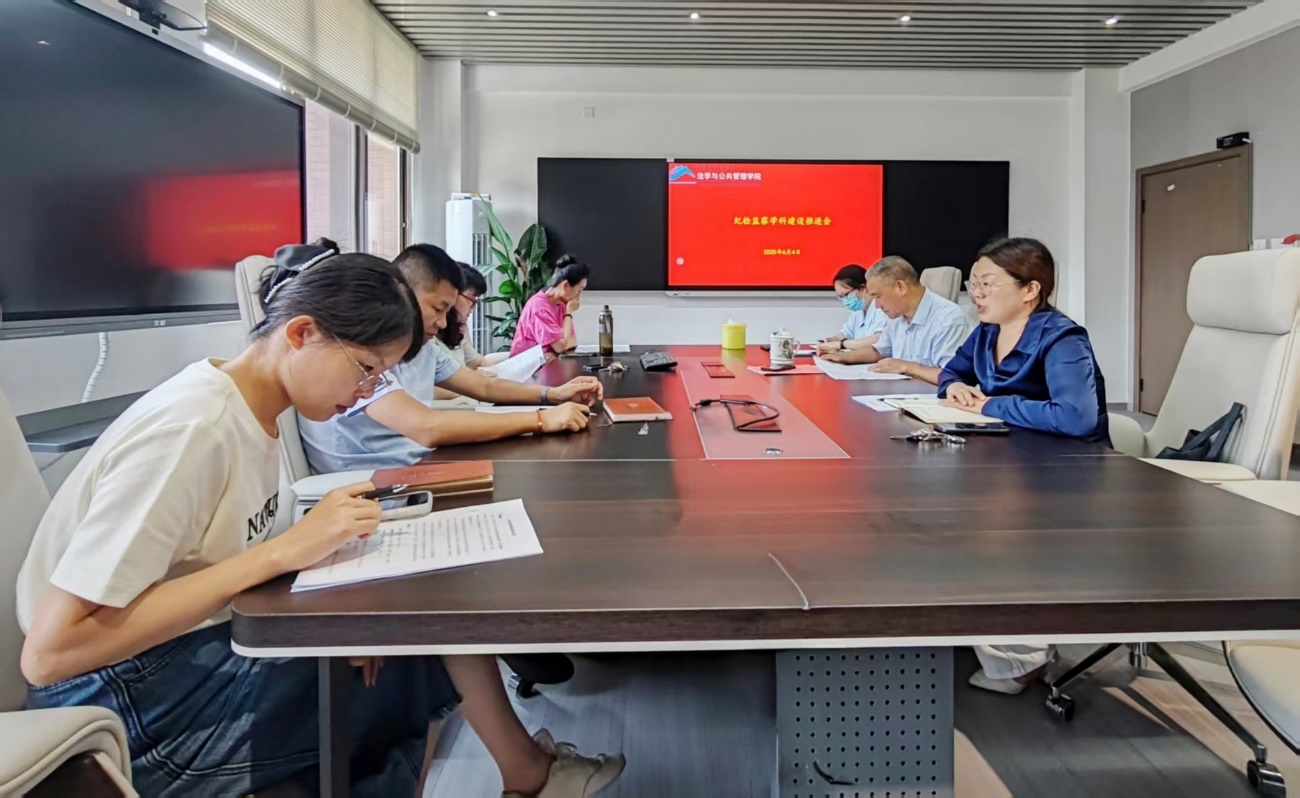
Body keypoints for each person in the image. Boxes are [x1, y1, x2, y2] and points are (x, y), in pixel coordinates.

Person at [16, 245, 624, 798]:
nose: (366, 392)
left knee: (397, 643)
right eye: (365, 369)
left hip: (185, 651)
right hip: (124, 700)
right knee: (409, 659)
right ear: (301, 333)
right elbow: (52, 653)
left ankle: (524, 775)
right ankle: (527, 776)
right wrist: (282, 554)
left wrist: (342, 618)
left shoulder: (250, 410)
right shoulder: (193, 431)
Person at [937, 236, 1109, 696]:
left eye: (988, 284)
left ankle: (1019, 660)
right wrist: (955, 388)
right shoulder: (987, 331)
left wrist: (991, 404)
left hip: (1066, 474)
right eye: (973, 284)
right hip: (1009, 461)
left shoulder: (1062, 338)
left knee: (989, 528)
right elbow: (952, 371)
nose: (977, 294)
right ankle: (972, 624)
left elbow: (1076, 417)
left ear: (1031, 289)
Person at [299, 244, 603, 475]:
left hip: (421, 463)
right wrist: (541, 419)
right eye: (437, 308)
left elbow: (483, 387)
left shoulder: (423, 347)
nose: (443, 323)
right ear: (401, 294)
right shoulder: (365, 353)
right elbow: (427, 427)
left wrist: (551, 395)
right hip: (374, 483)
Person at [819, 256, 974, 385]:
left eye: (878, 296)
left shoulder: (949, 320)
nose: (877, 306)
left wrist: (907, 367)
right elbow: (879, 351)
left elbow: (954, 377)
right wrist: (842, 357)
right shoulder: (897, 316)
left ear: (900, 287)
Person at [432, 262, 490, 407]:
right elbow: (428, 389)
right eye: (471, 300)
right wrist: (471, 382)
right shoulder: (427, 335)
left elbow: (477, 361)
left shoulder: (456, 330)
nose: (473, 307)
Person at [511, 254, 587, 358]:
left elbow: (572, 343)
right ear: (565, 285)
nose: (579, 295)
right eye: (579, 290)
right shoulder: (539, 307)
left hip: (549, 363)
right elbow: (561, 347)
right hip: (528, 366)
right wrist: (569, 312)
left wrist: (554, 353)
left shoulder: (561, 305)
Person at [817, 264, 889, 354]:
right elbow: (845, 333)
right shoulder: (858, 311)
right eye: (841, 297)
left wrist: (841, 344)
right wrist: (830, 340)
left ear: (863, 288)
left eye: (845, 295)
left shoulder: (882, 307)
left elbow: (878, 339)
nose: (845, 300)